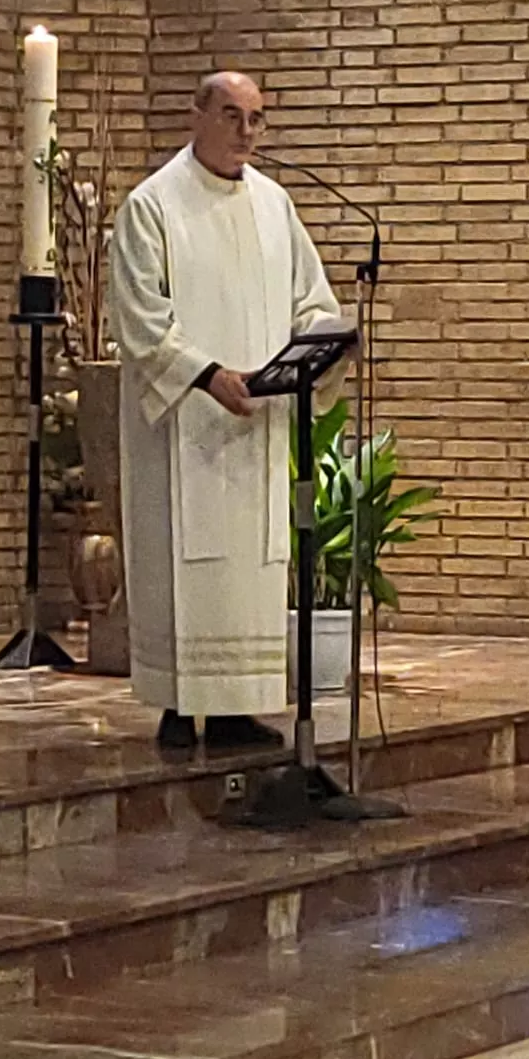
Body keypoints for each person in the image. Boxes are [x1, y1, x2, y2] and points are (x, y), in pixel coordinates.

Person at [108, 70, 345, 752]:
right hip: (186, 427)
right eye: (233, 116)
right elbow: (140, 320)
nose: (246, 133)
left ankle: (240, 705)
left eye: (258, 119)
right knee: (189, 567)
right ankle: (182, 706)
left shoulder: (276, 206)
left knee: (250, 567)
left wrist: (321, 344)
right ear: (199, 115)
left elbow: (312, 298)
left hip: (259, 424)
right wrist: (208, 377)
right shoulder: (153, 205)